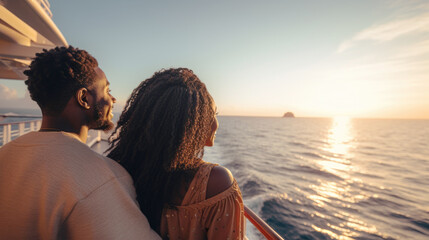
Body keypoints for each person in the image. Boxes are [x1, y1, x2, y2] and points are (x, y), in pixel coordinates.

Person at [0, 46, 160, 239]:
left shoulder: (5, 153)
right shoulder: (102, 177)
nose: (113, 99)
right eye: (107, 90)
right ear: (84, 98)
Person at [107, 68, 246, 239]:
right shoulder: (216, 183)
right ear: (189, 124)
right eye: (211, 114)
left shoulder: (122, 170)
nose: (215, 122)